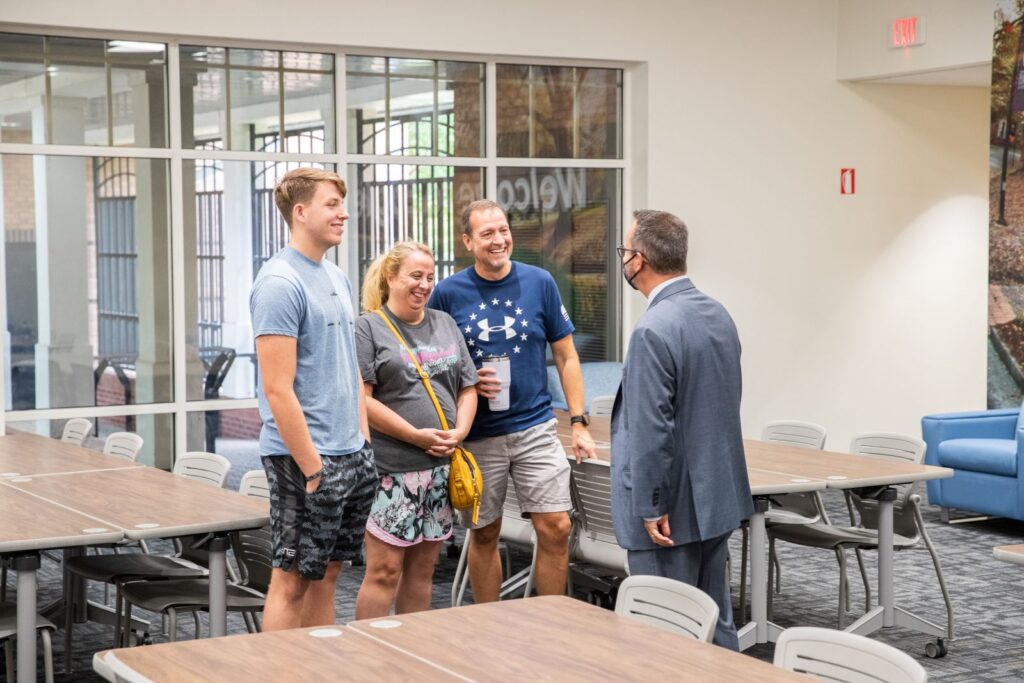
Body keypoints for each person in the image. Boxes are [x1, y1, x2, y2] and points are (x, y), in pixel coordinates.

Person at [428, 199, 597, 602]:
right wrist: (465, 381)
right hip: (480, 435)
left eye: (503, 230)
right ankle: (491, 624)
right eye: (487, 233)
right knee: (484, 532)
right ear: (468, 241)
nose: (499, 239)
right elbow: (431, 363)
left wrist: (578, 421)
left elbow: (566, 355)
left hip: (535, 426)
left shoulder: (540, 282)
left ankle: (548, 617)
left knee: (556, 526)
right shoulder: (448, 294)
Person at [610, 209, 753, 650]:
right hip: (717, 498)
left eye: (624, 252)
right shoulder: (717, 313)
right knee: (717, 622)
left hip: (669, 511)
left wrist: (651, 505)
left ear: (640, 260)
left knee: (664, 635)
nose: (623, 261)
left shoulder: (653, 329)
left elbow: (652, 428)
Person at [250, 168, 377, 631]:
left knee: (328, 575)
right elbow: (277, 388)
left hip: (351, 453)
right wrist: (313, 467)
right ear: (300, 212)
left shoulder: (337, 278)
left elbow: (349, 370)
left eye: (342, 204)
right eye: (331, 204)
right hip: (303, 458)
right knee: (292, 580)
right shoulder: (280, 283)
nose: (343, 213)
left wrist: (363, 446)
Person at [353, 242, 478, 618]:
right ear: (391, 277)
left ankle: (411, 657)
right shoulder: (368, 327)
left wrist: (461, 432)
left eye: (429, 277)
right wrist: (414, 435)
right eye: (415, 276)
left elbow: (468, 386)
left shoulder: (445, 322)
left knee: (423, 572)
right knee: (384, 571)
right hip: (391, 470)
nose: (424, 285)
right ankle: (369, 659)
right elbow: (363, 400)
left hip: (440, 470)